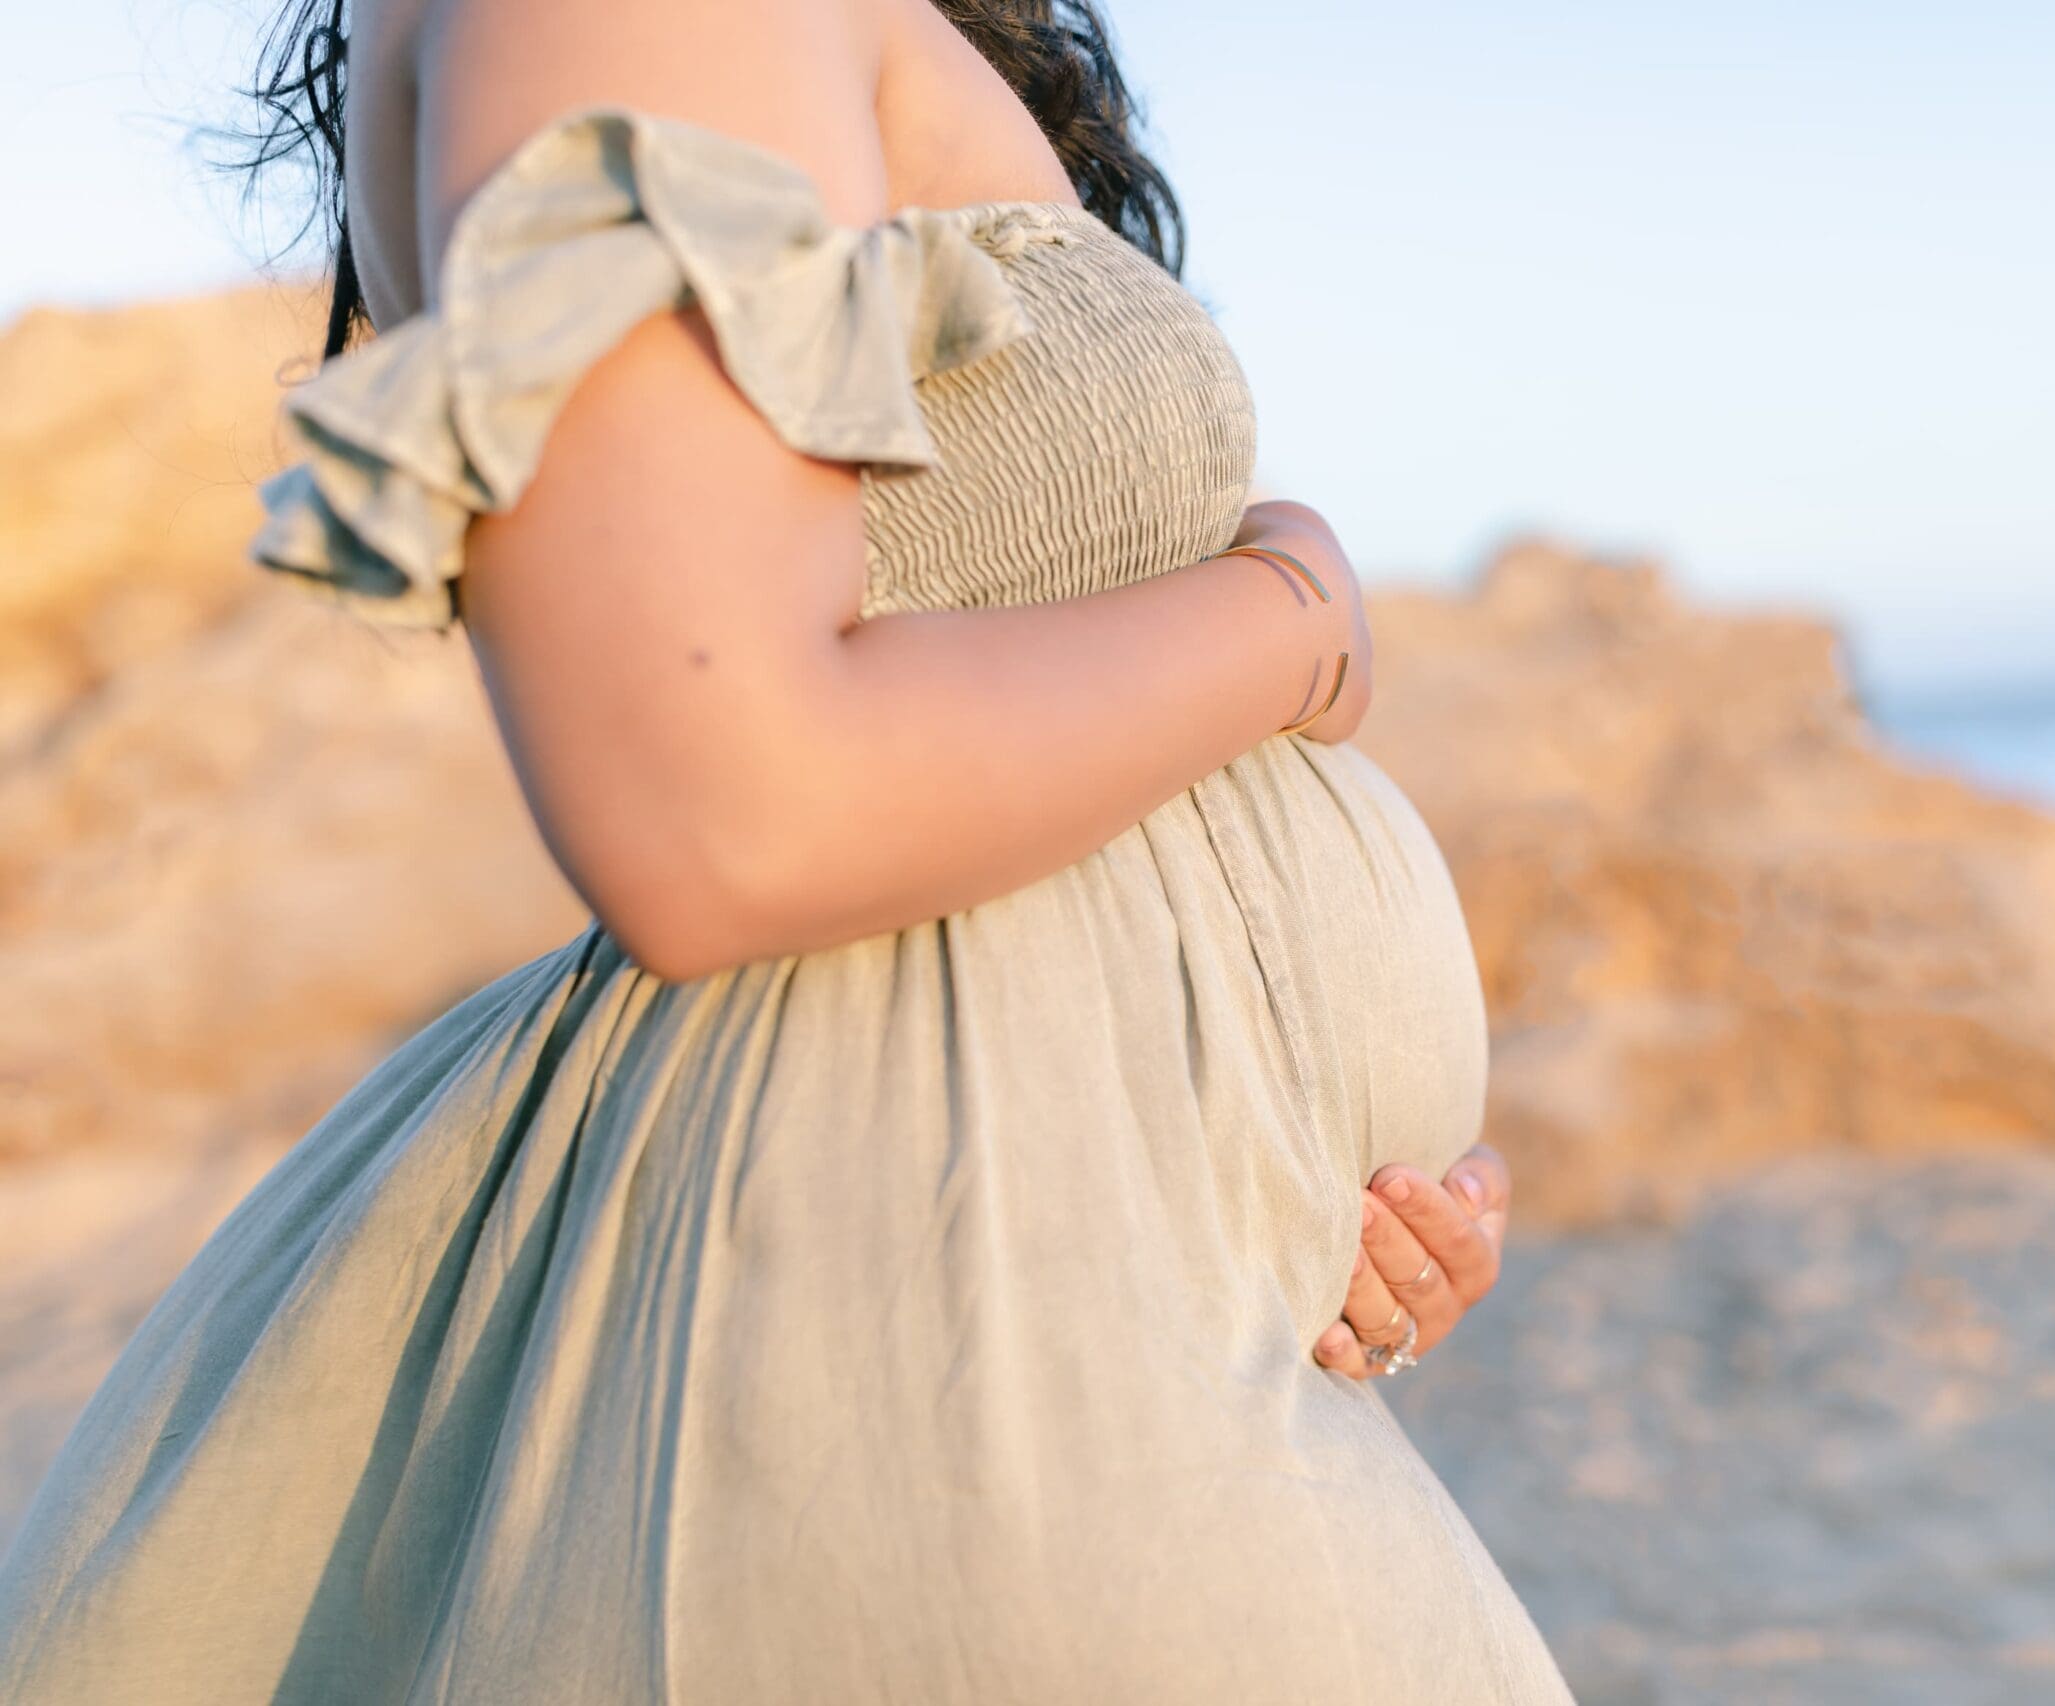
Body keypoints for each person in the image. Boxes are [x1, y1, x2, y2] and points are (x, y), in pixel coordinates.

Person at [0, 0, 1575, 1698]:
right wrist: (1293, 616)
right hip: (930, 1331)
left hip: (1064, 1289)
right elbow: (722, 813)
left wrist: (1290, 1175)